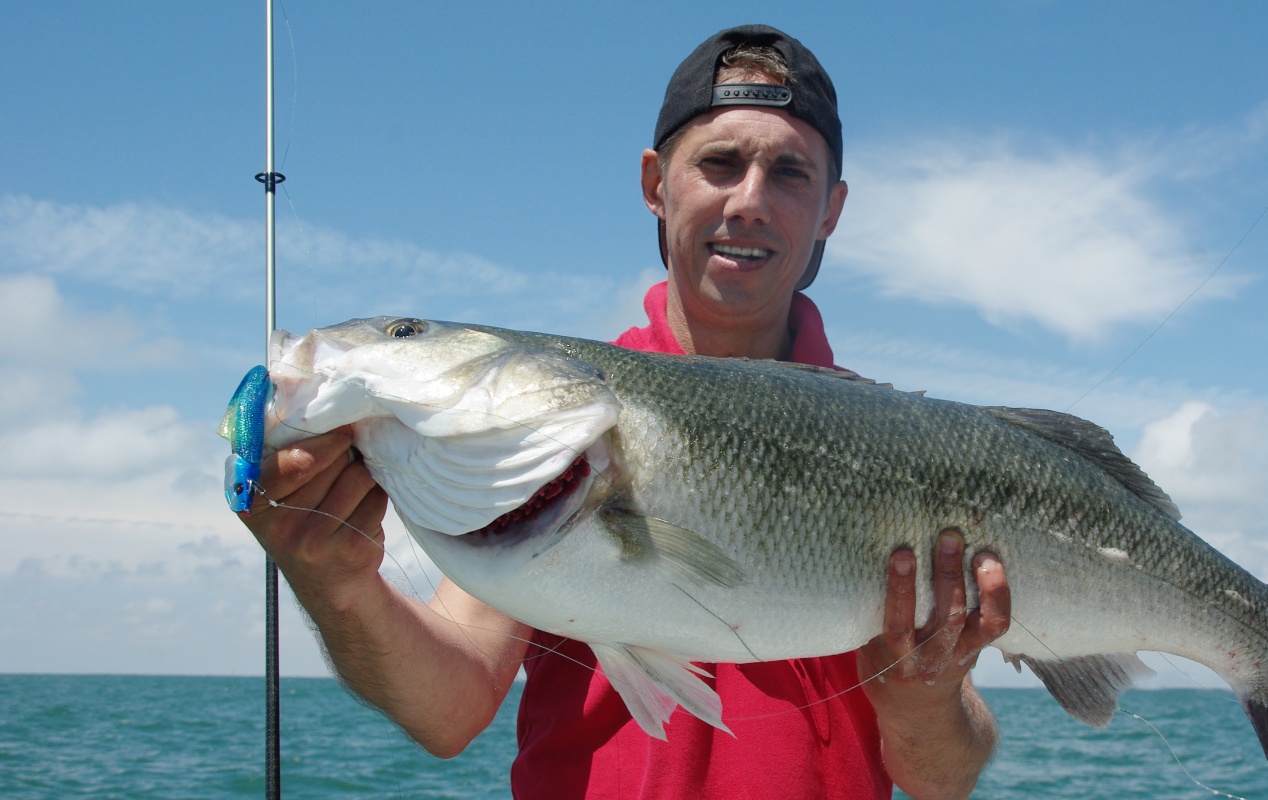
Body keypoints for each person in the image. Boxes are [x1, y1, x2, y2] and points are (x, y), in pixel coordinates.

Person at [237, 25, 1011, 800]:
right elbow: (450, 707)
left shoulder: (903, 451)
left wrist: (926, 698)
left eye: (789, 172)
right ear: (655, 183)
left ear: (831, 209)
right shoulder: (552, 434)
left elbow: (944, 781)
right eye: (719, 163)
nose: (749, 201)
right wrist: (336, 584)